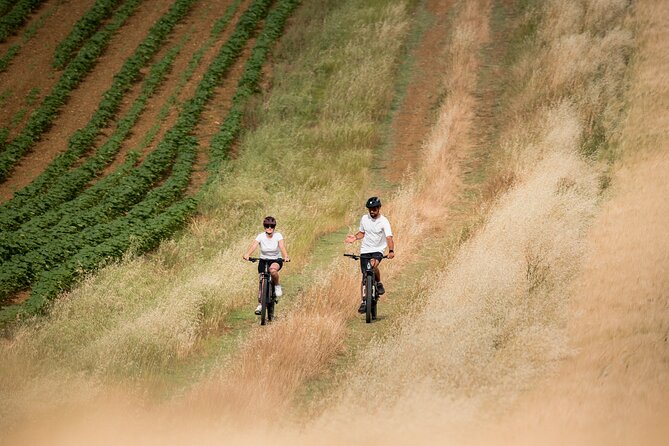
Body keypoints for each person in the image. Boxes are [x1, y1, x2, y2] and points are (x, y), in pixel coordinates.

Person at [344, 196, 395, 313]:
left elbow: (389, 237)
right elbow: (362, 233)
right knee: (364, 275)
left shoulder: (384, 221)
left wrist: (391, 251)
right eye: (370, 209)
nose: (372, 211)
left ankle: (379, 282)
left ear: (379, 208)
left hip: (378, 249)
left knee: (373, 265)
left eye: (374, 209)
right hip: (365, 250)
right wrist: (355, 237)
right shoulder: (364, 219)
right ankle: (364, 302)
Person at [243, 216, 290, 315]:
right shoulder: (260, 236)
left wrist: (285, 256)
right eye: (267, 226)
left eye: (272, 226)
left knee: (273, 271)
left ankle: (277, 285)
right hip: (263, 260)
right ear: (264, 227)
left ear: (274, 227)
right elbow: (254, 245)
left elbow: (282, 246)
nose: (269, 228)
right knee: (262, 281)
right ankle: (261, 304)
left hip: (276, 260)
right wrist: (247, 254)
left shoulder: (278, 236)